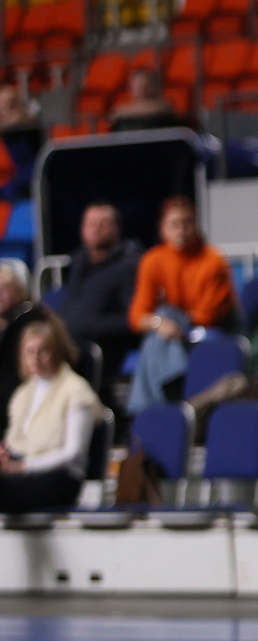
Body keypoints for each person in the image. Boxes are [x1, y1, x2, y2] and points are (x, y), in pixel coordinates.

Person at [126, 196, 234, 413]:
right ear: (162, 228)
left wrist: (171, 322)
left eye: (187, 223)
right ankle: (171, 392)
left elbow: (208, 315)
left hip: (205, 330)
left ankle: (146, 410)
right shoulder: (152, 260)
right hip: (168, 332)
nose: (181, 230)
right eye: (174, 224)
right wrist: (159, 323)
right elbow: (137, 316)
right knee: (160, 326)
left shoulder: (213, 260)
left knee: (160, 329)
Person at [0, 318, 105, 512]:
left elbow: (73, 453)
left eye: (43, 351)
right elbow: (14, 444)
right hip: (23, 472)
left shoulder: (76, 391)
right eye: (29, 352)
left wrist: (23, 466)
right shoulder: (22, 394)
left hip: (61, 478)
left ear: (56, 351)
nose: (36, 358)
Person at [54, 202, 142, 390]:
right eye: (90, 223)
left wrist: (93, 325)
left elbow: (134, 319)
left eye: (103, 223)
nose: (95, 229)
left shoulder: (129, 266)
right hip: (65, 342)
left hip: (98, 350)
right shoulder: (78, 262)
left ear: (117, 228)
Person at [0, 258, 52, 398]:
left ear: (18, 290)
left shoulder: (31, 319)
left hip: (26, 390)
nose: (0, 294)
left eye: (5, 288)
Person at [108, 66, 181, 131]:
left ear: (153, 86)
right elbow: (113, 115)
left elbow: (160, 109)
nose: (140, 89)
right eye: (137, 86)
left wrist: (125, 113)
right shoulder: (123, 108)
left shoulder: (163, 105)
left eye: (143, 85)